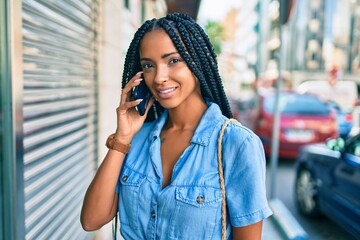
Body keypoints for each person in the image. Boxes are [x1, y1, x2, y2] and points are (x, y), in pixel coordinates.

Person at [80, 13, 272, 240]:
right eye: (149, 65)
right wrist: (122, 138)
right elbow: (92, 220)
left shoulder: (237, 144)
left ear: (197, 63)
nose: (159, 77)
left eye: (173, 61)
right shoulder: (136, 139)